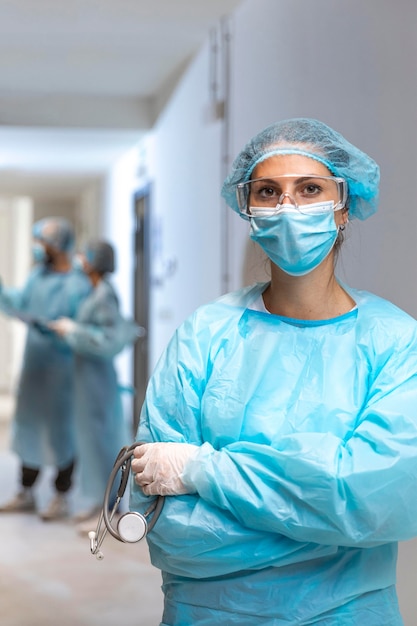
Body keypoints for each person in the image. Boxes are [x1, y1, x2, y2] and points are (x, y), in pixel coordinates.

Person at [129, 118, 417, 625]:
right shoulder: (205, 335)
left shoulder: (395, 342)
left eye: (310, 188)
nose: (289, 208)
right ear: (249, 209)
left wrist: (201, 469)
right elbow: (166, 527)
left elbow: (378, 502)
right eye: (268, 191)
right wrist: (325, 526)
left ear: (343, 205)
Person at [0, 217, 91, 520]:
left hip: (64, 369)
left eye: (42, 241)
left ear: (57, 245)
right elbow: (20, 304)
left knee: (63, 431)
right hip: (35, 366)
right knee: (29, 428)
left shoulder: (79, 282)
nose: (37, 248)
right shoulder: (37, 276)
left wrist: (67, 330)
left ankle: (61, 494)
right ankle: (25, 491)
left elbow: (88, 326)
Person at [49, 240, 140, 530]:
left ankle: (108, 507)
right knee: (91, 441)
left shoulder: (104, 294)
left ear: (95, 260)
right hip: (87, 378)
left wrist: (74, 330)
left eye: (84, 253)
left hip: (97, 380)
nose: (79, 257)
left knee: (101, 441)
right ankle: (99, 501)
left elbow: (107, 340)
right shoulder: (94, 290)